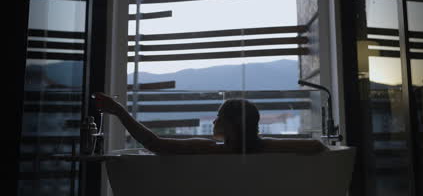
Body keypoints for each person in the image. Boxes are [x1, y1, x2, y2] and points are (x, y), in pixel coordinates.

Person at [94, 92, 328, 155]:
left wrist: (119, 111)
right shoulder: (265, 147)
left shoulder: (208, 150)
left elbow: (154, 144)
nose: (214, 120)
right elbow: (317, 147)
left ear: (231, 124)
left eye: (219, 116)